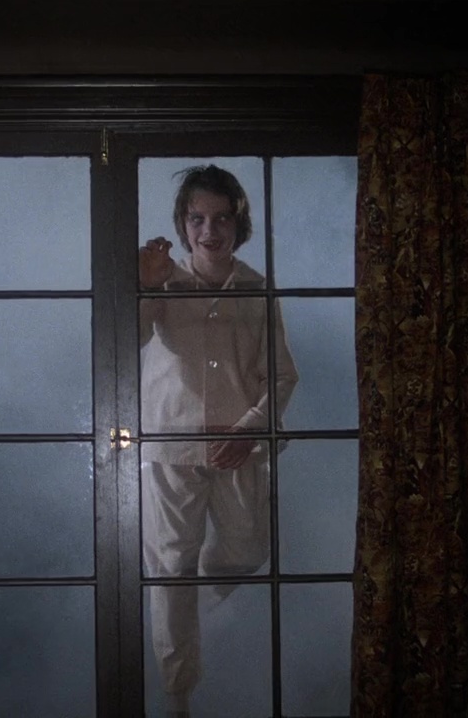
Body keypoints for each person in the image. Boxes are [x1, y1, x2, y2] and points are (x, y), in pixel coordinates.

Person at [137, 165, 299, 716]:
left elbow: (282, 375)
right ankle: (177, 695)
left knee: (248, 548)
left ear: (238, 223)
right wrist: (146, 284)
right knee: (170, 569)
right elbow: (123, 340)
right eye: (198, 218)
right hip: (171, 446)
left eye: (222, 218)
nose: (210, 230)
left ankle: (197, 604)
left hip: (239, 447)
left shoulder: (258, 290)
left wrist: (251, 427)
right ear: (183, 225)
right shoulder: (161, 281)